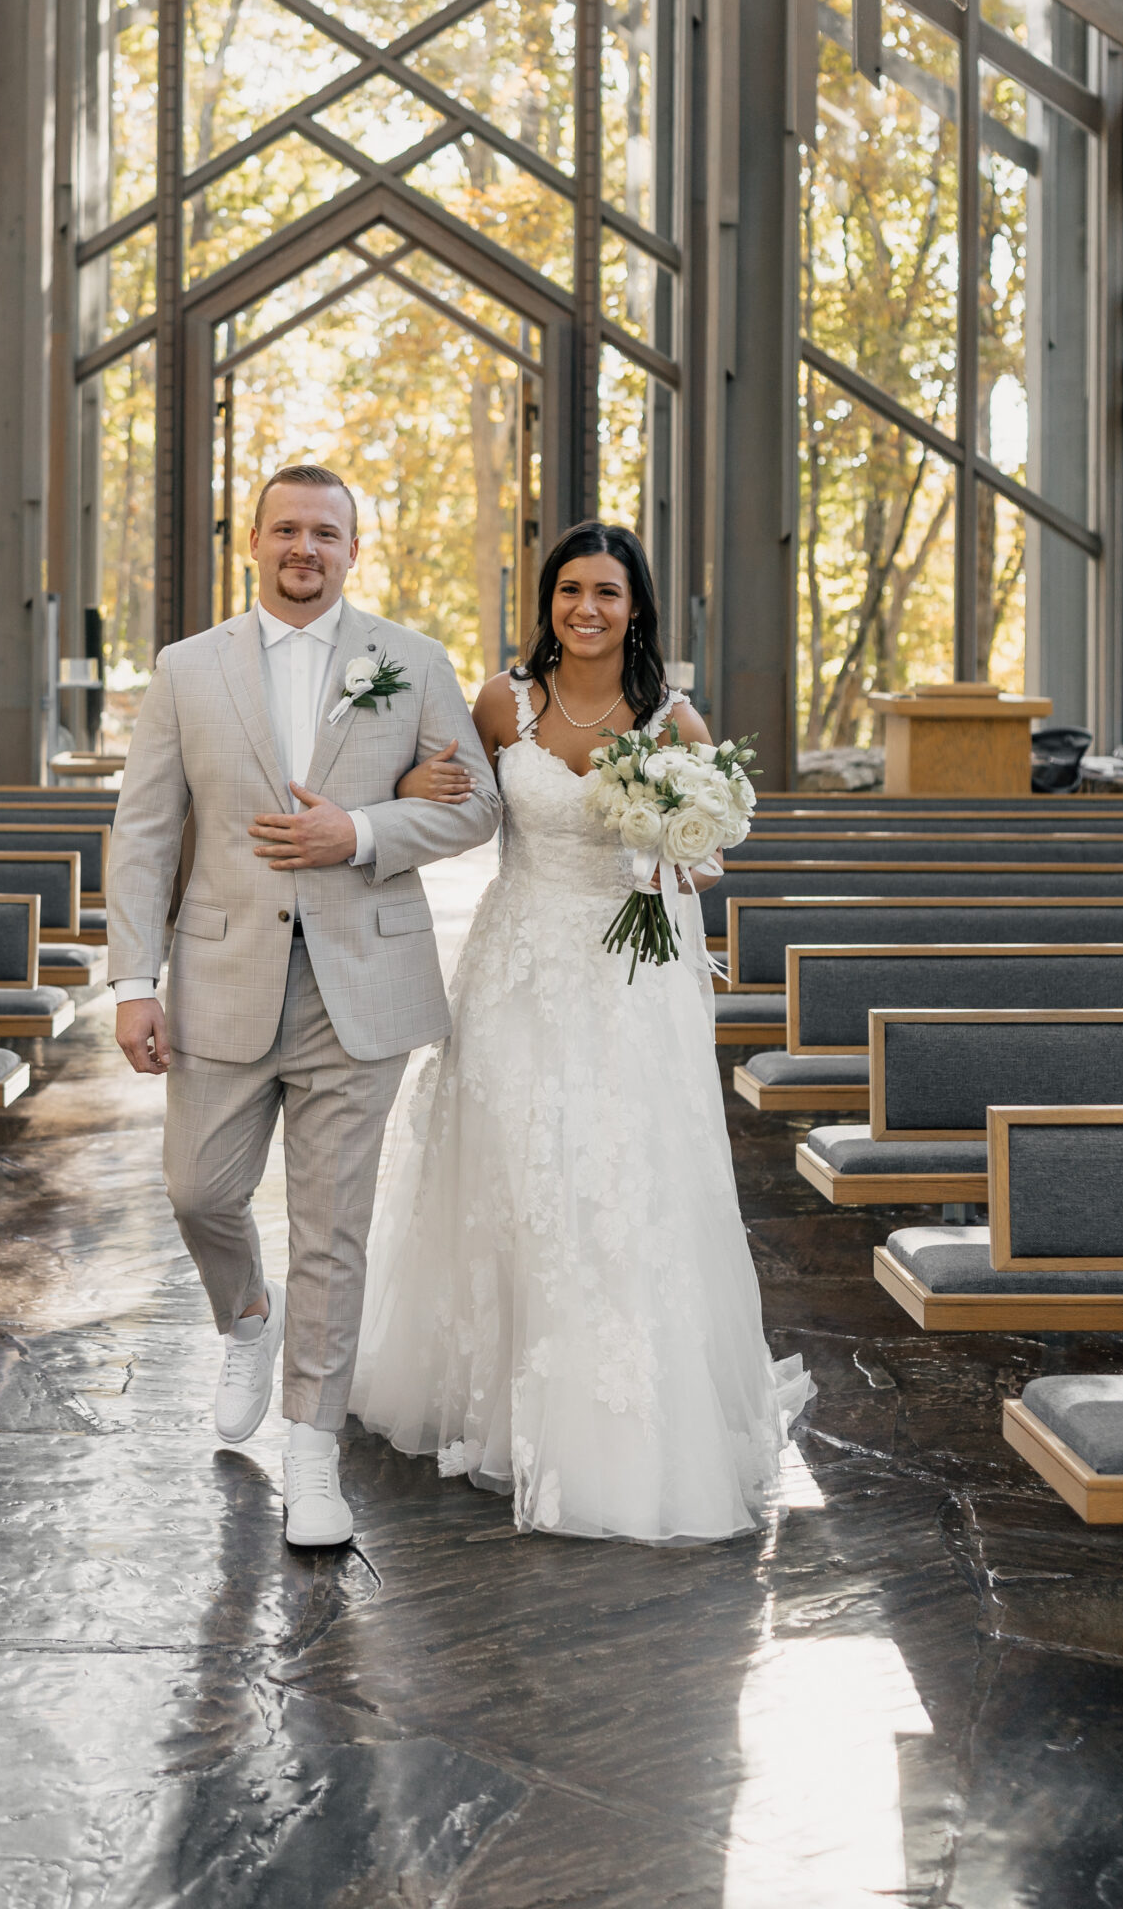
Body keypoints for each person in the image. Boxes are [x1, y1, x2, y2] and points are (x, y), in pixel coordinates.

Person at [351, 520, 811, 1542]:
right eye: (569, 591)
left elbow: (710, 861)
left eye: (607, 592)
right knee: (510, 1173)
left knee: (614, 1177)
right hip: (515, 964)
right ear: (549, 601)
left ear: (636, 605)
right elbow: (462, 808)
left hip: (627, 978)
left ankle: (609, 1422)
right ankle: (497, 1403)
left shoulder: (675, 722)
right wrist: (405, 789)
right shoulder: (501, 701)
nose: (586, 609)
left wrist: (672, 847)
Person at [107, 462, 500, 1550]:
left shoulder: (412, 662)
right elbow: (143, 832)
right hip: (220, 975)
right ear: (254, 540)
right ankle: (245, 1315)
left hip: (360, 983)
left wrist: (362, 833)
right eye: (287, 529)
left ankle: (313, 1450)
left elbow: (480, 808)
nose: (305, 548)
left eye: (326, 532)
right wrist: (134, 980)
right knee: (199, 1190)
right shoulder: (187, 671)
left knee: (334, 1227)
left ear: (353, 548)